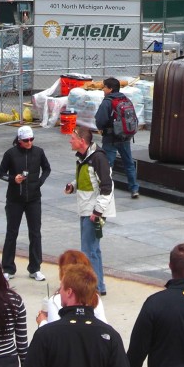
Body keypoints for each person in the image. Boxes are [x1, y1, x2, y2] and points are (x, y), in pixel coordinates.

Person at [20, 262, 129, 367]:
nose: (59, 292)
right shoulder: (109, 336)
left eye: (61, 289)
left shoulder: (46, 334)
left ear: (69, 292)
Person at [65, 125, 115, 296]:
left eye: (73, 138)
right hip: (87, 209)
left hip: (92, 212)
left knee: (87, 252)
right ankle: (99, 286)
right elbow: (88, 179)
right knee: (94, 250)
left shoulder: (98, 159)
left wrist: (98, 211)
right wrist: (73, 185)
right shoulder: (83, 157)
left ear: (82, 141)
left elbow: (107, 187)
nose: (70, 140)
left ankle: (91, 288)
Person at [0, 125, 51, 281]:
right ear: (19, 140)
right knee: (11, 232)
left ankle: (35, 268)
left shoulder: (39, 152)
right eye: (26, 140)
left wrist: (39, 182)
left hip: (34, 198)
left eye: (31, 139)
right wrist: (13, 178)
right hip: (15, 199)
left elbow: (47, 169)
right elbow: (1, 173)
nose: (29, 143)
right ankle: (8, 268)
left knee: (35, 233)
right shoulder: (10, 154)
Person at [36, 248, 106, 326]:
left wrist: (42, 322)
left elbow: (53, 333)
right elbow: (103, 325)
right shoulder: (95, 297)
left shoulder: (56, 300)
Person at [94, 77, 140, 197]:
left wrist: (101, 128)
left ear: (110, 89)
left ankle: (106, 190)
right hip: (125, 137)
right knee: (129, 163)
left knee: (107, 165)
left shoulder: (107, 102)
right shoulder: (126, 99)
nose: (103, 89)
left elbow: (100, 119)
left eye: (104, 87)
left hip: (110, 138)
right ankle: (134, 189)